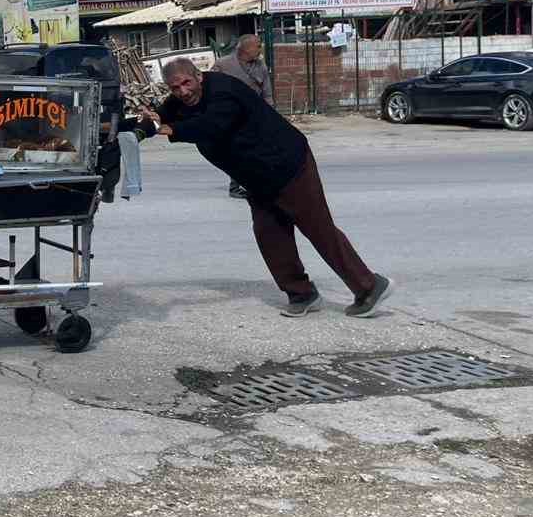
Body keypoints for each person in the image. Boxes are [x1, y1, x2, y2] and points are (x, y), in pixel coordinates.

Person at [140, 57, 391, 318]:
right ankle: (301, 294)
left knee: (318, 229)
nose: (183, 91)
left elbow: (211, 126)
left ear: (199, 76)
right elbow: (157, 118)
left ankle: (369, 287)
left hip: (288, 165)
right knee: (270, 236)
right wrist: (134, 127)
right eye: (175, 88)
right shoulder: (179, 101)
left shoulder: (224, 91)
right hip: (257, 179)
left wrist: (170, 129)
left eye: (186, 83)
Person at [213, 34, 275, 199]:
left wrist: (270, 113)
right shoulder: (223, 65)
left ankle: (256, 183)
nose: (260, 49)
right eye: (258, 46)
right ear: (246, 48)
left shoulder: (260, 65)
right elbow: (211, 90)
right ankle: (235, 186)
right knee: (238, 152)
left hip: (255, 116)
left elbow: (267, 92)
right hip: (232, 117)